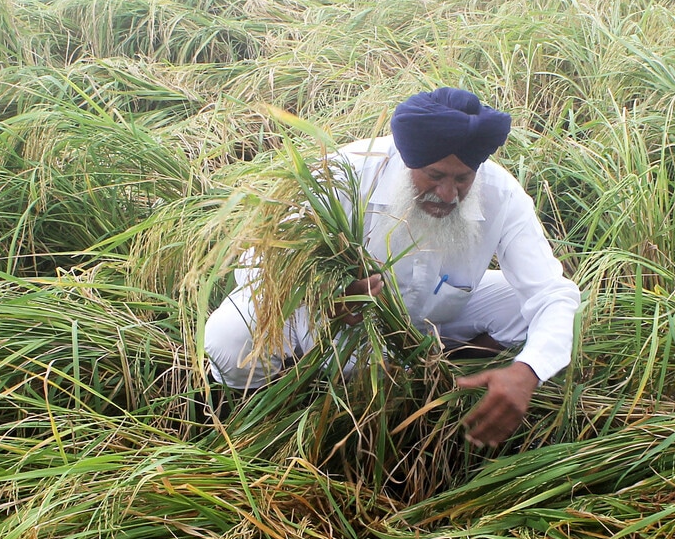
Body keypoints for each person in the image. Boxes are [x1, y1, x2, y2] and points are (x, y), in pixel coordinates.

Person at [204, 88, 581, 448]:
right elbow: (261, 263)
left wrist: (527, 370)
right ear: (407, 160)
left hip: (434, 316)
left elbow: (551, 292)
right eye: (435, 176)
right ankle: (281, 398)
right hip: (322, 321)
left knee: (531, 310)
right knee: (229, 338)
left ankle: (437, 375)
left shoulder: (503, 194)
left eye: (462, 178)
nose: (448, 194)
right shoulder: (343, 174)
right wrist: (323, 299)